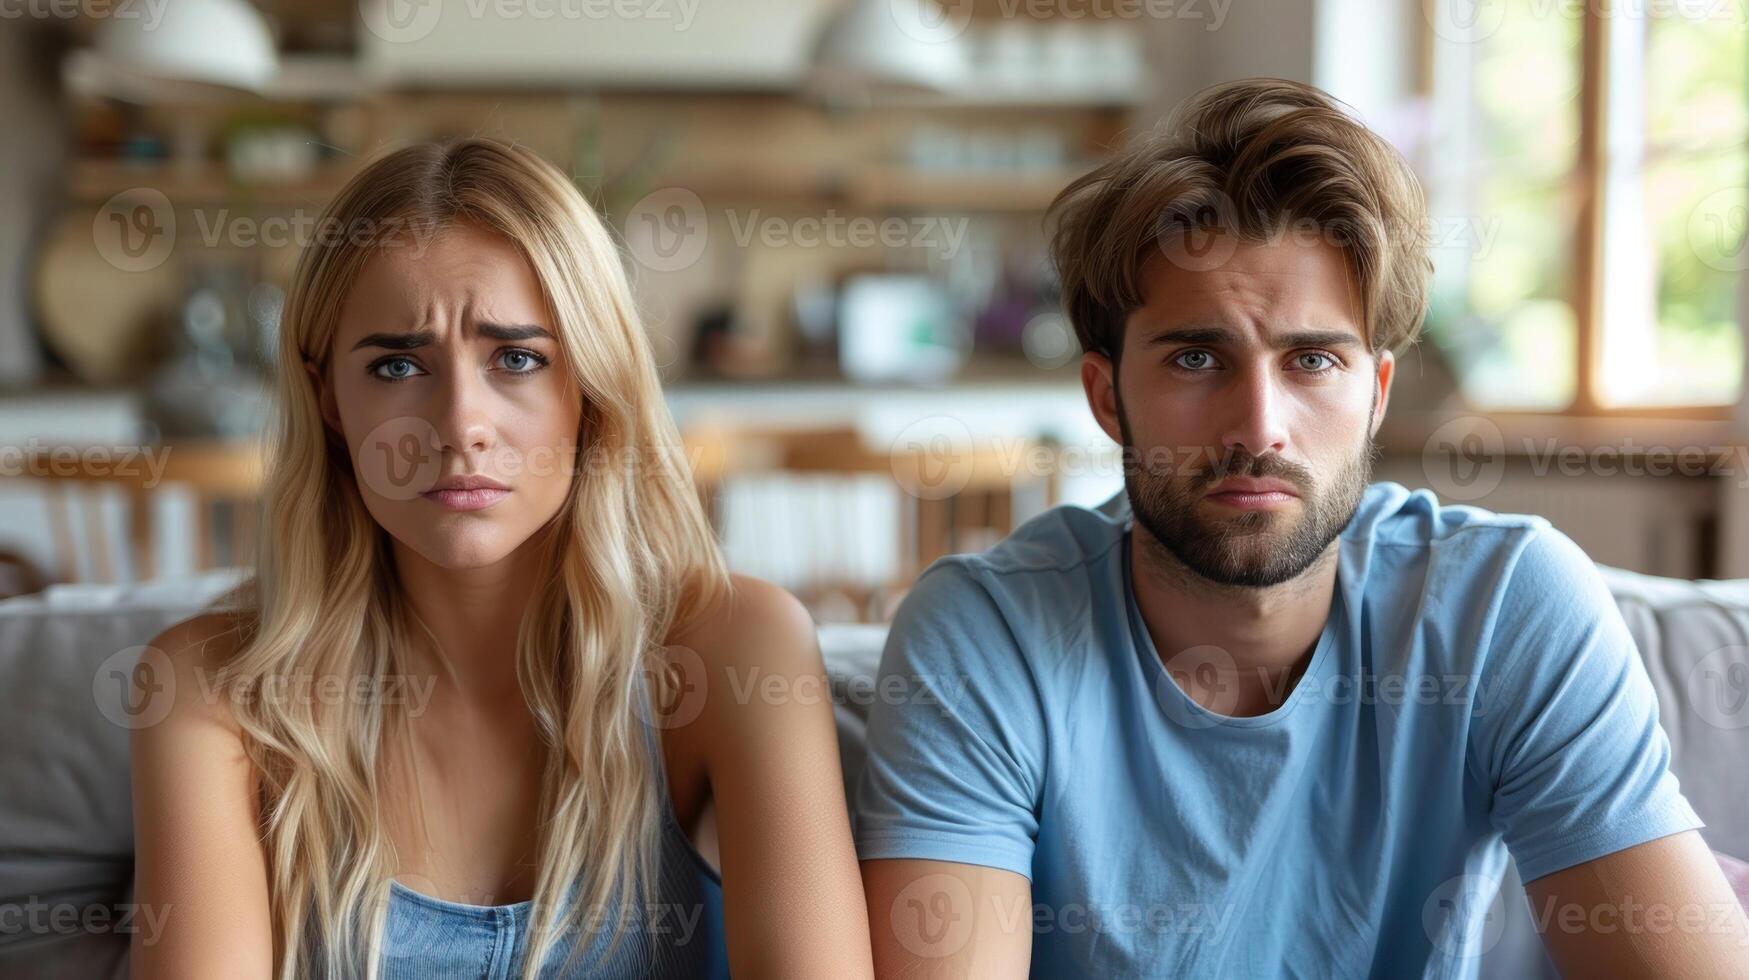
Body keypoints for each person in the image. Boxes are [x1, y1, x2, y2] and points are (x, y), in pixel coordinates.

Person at [854, 78, 1749, 978]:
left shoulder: (1503, 605)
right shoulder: (985, 636)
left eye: (1312, 360)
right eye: (1196, 358)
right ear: (1105, 397)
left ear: (1375, 396)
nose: (1258, 425)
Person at [130, 138, 873, 979]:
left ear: (591, 387)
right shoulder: (211, 693)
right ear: (329, 399)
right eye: (397, 364)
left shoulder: (735, 649)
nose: (459, 423)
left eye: (517, 358)